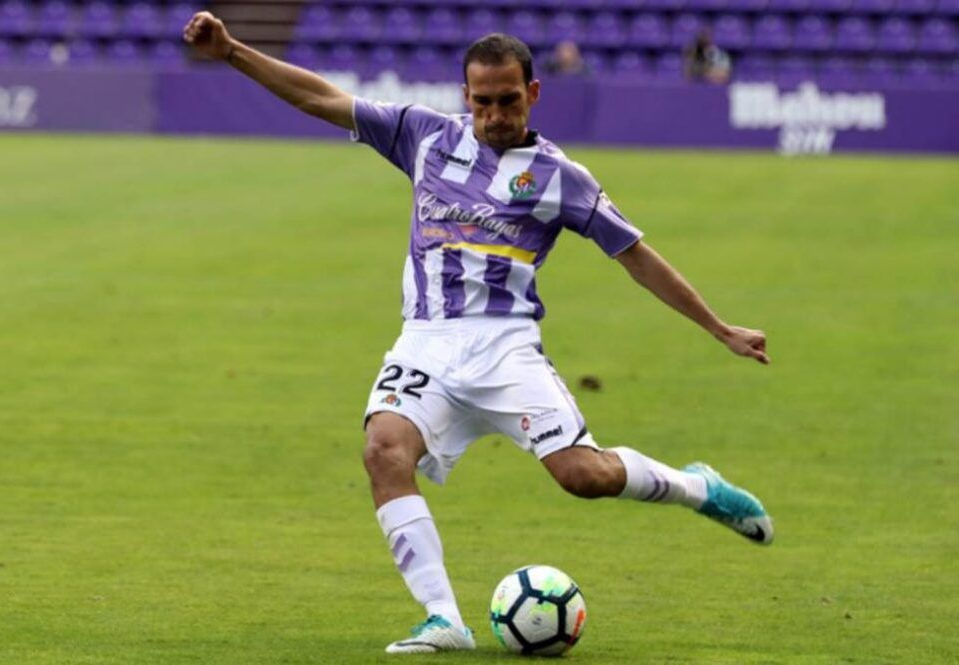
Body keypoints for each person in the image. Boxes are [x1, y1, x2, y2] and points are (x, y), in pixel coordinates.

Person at [184, 14, 773, 655]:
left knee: (582, 475)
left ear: (534, 93)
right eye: (482, 101)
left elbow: (635, 254)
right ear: (466, 96)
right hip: (425, 341)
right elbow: (322, 97)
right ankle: (444, 618)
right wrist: (234, 51)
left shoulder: (558, 177)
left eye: (508, 100)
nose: (494, 114)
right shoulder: (424, 136)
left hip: (504, 347)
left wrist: (718, 328)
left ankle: (696, 487)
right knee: (383, 449)